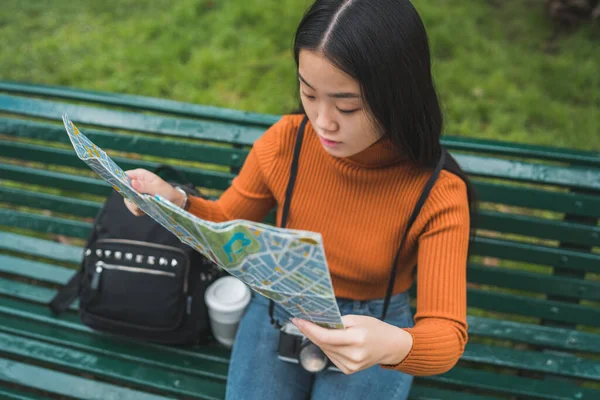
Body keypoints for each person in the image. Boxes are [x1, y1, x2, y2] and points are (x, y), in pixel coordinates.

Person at [125, 0, 475, 398]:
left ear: (398, 96)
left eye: (347, 105)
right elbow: (224, 222)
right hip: (283, 298)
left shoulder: (438, 193)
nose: (323, 122)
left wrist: (393, 346)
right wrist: (174, 201)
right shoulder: (286, 144)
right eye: (309, 94)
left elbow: (446, 335)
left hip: (376, 319)